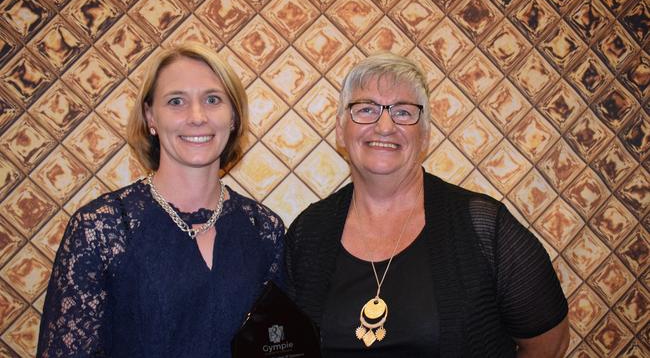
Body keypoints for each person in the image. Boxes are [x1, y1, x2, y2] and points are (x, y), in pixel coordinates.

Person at [285, 52, 569, 357]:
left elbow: (550, 343)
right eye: (366, 109)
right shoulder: (309, 231)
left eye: (403, 113)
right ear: (341, 129)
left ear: (425, 134)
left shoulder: (483, 227)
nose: (384, 126)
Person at [37, 43, 285, 357]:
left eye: (212, 99)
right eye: (176, 101)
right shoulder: (102, 228)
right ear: (150, 116)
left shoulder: (264, 229)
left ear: (233, 116)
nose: (197, 117)